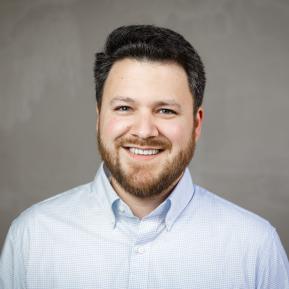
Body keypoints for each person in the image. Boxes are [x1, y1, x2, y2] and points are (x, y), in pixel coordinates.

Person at [0, 25, 288, 289]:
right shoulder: (32, 236)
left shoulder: (255, 247)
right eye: (125, 108)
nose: (144, 131)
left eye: (165, 110)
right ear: (100, 118)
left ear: (196, 124)